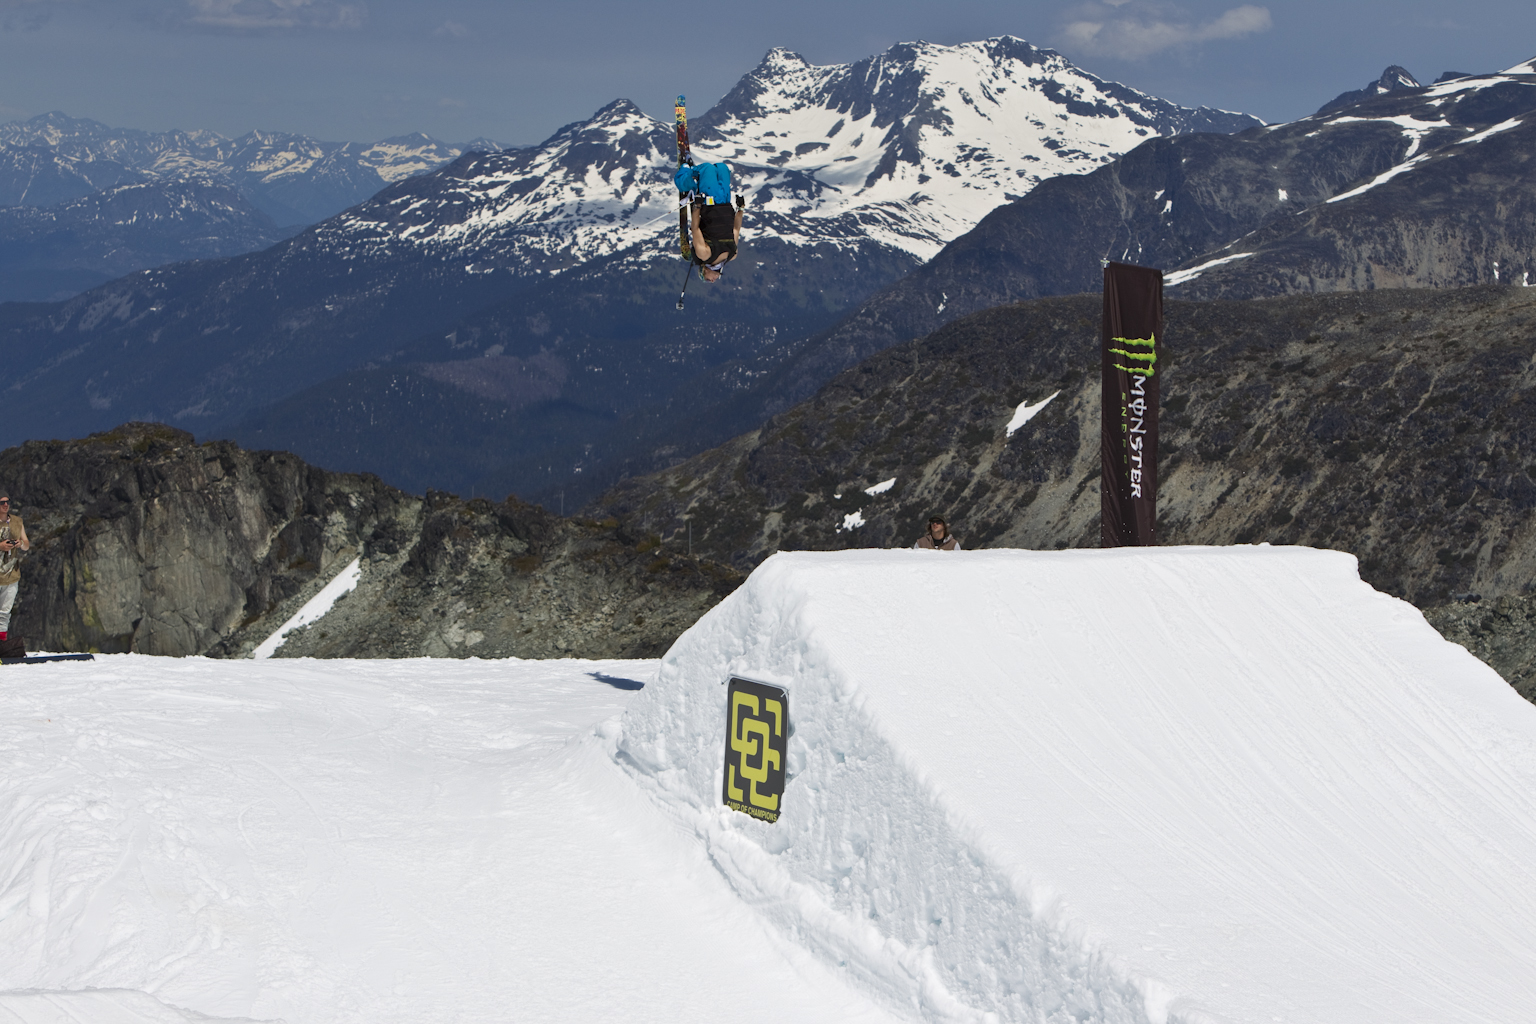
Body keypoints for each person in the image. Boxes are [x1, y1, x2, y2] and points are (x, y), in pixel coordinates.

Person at [674, 161, 742, 282]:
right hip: (725, 203)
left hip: (710, 203)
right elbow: (736, 229)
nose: (713, 280)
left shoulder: (704, 255)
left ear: (704, 271)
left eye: (707, 279)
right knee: (723, 168)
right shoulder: (732, 255)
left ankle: (685, 172)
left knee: (708, 169)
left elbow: (695, 229)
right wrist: (740, 209)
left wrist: (697, 206)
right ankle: (692, 176)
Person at [0, 490, 29, 643]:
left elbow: (26, 544)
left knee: (5, 612)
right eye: (1, 502)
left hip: (11, 573)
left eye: (7, 502)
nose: (5, 505)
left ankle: (2, 644)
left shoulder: (17, 522)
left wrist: (20, 544)